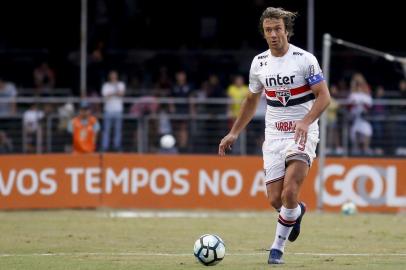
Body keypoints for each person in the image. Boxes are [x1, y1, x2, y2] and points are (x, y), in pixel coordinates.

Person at [218, 7, 331, 265]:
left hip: (302, 133)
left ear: (286, 30)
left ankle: (276, 249)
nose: (273, 34)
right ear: (264, 33)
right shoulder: (259, 63)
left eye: (277, 29)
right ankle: (296, 212)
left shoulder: (305, 59)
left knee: (290, 192)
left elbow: (324, 96)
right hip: (274, 137)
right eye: (268, 30)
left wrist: (305, 121)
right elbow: (250, 100)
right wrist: (234, 132)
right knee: (275, 200)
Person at [101, 70, 126, 152]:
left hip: (118, 110)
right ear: (109, 77)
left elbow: (121, 94)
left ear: (116, 76)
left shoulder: (120, 84)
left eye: (114, 75)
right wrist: (115, 93)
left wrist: (113, 91)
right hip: (108, 110)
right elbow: (105, 96)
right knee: (106, 130)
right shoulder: (106, 85)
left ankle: (117, 146)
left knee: (118, 130)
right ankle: (105, 147)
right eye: (112, 76)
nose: (113, 77)